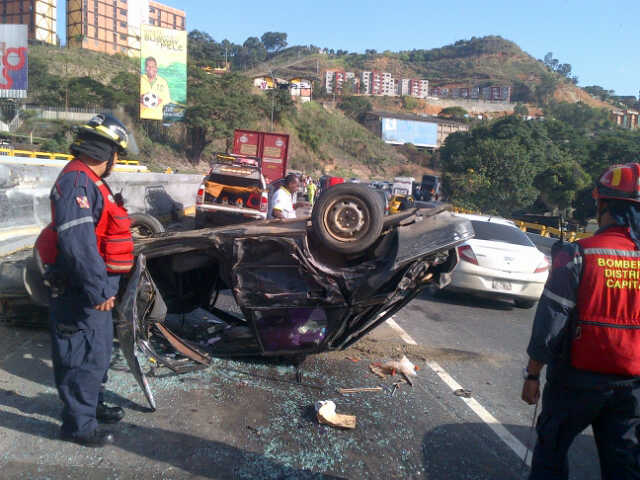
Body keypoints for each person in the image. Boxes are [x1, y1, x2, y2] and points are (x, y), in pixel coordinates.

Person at [522, 163, 640, 480]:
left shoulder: (578, 253)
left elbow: (551, 321)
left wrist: (533, 374)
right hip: (630, 386)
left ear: (601, 204)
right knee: (624, 465)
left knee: (551, 455)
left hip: (575, 382)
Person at [35, 114, 136, 447]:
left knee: (98, 351)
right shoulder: (77, 183)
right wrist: (97, 288)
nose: (116, 161)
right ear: (103, 151)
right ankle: (78, 425)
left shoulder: (90, 181)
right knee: (80, 355)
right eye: (115, 153)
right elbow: (78, 242)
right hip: (81, 288)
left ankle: (92, 404)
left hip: (96, 287)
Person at [140, 56, 171, 120]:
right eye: (148, 66)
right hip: (142, 116)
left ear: (156, 68)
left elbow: (167, 100)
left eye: (153, 66)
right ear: (145, 68)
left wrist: (160, 101)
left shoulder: (163, 82)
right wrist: (140, 99)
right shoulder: (140, 79)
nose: (151, 68)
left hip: (157, 117)